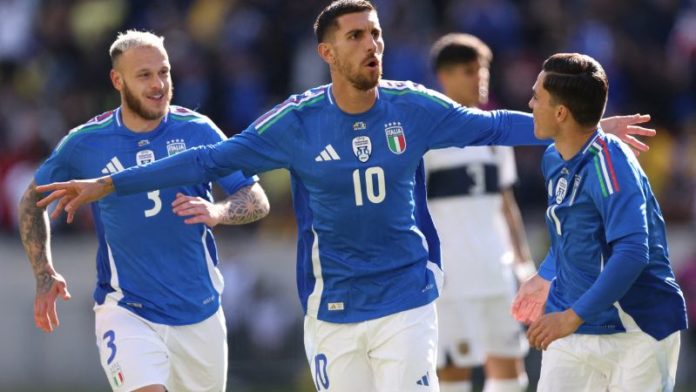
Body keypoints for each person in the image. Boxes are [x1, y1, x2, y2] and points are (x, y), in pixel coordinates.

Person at [34, 2, 655, 391]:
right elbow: (207, 160)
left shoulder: (412, 106)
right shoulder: (296, 122)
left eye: (377, 33)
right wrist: (111, 183)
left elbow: (492, 126)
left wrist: (590, 124)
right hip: (332, 309)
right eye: (356, 36)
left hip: (408, 295)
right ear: (327, 52)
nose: (372, 45)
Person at [18, 30, 270, 392]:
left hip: (200, 312)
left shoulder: (199, 131)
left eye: (164, 72)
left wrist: (218, 211)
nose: (159, 84)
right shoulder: (86, 143)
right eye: (145, 75)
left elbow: (256, 198)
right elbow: (32, 199)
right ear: (117, 80)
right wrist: (44, 272)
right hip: (127, 310)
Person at [511, 53, 687, 391]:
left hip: (636, 331)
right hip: (573, 330)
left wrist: (571, 316)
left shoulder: (610, 162)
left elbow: (633, 252)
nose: (530, 103)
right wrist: (546, 275)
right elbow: (571, 235)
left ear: (561, 113)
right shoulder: (553, 158)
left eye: (537, 96)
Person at [425, 33, 533, 392]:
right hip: (452, 282)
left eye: (484, 69)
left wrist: (523, 264)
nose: (480, 78)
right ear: (444, 76)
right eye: (470, 71)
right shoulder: (427, 139)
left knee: (511, 377)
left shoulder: (495, 133)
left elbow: (506, 204)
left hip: (496, 273)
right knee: (453, 378)